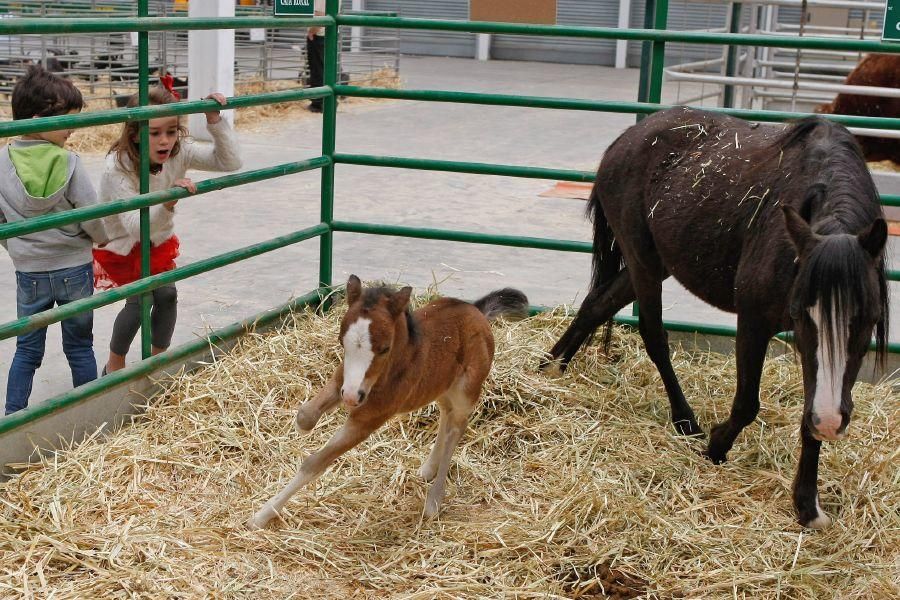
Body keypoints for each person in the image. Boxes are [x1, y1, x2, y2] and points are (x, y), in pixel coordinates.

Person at [93, 85, 241, 374]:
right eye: (155, 133)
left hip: (157, 238)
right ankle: (114, 368)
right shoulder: (118, 166)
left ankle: (156, 363)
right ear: (135, 134)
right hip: (122, 243)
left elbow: (230, 161)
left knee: (167, 296)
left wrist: (214, 120)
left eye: (171, 131)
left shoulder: (178, 151)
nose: (165, 141)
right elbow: (136, 228)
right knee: (140, 300)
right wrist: (168, 201)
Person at [0, 65, 108, 414]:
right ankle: (90, 414)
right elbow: (90, 212)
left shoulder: (0, 163)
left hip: (29, 272)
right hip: (74, 267)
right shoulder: (69, 162)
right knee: (79, 346)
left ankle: (13, 416)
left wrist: (18, 247)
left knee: (27, 350)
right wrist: (101, 238)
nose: (72, 130)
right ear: (37, 119)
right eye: (66, 121)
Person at [305, 0, 326, 112]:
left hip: (319, 35)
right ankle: (326, 100)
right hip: (327, 33)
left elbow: (320, 14)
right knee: (324, 67)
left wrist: (312, 31)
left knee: (317, 68)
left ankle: (318, 102)